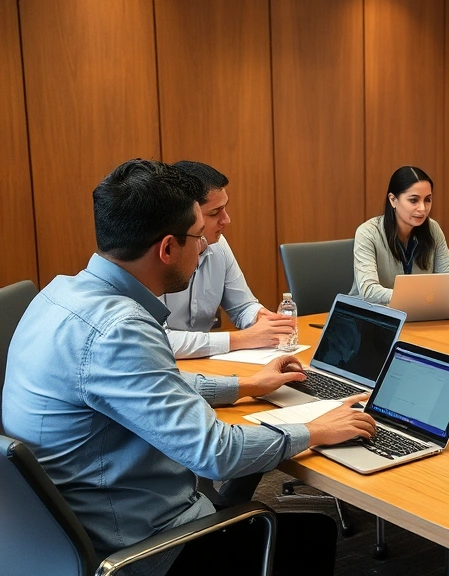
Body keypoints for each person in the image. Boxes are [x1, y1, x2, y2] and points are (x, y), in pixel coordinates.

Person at [1, 159, 377, 575]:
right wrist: (319, 429)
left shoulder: (58, 295)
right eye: (200, 237)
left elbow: (157, 383)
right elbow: (215, 453)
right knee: (312, 536)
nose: (205, 247)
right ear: (166, 248)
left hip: (60, 538)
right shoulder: (120, 330)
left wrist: (247, 385)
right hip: (140, 548)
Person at [162, 160, 294, 359]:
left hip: (206, 364)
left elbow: (243, 306)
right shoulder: (157, 256)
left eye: (225, 208)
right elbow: (157, 341)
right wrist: (243, 339)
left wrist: (262, 319)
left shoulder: (218, 244)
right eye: (215, 212)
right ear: (187, 216)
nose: (226, 220)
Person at [353, 165, 449, 304]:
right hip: (374, 315)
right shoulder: (368, 233)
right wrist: (417, 297)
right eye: (413, 200)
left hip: (419, 314)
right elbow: (369, 291)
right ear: (393, 200)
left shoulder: (432, 229)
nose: (422, 208)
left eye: (428, 200)